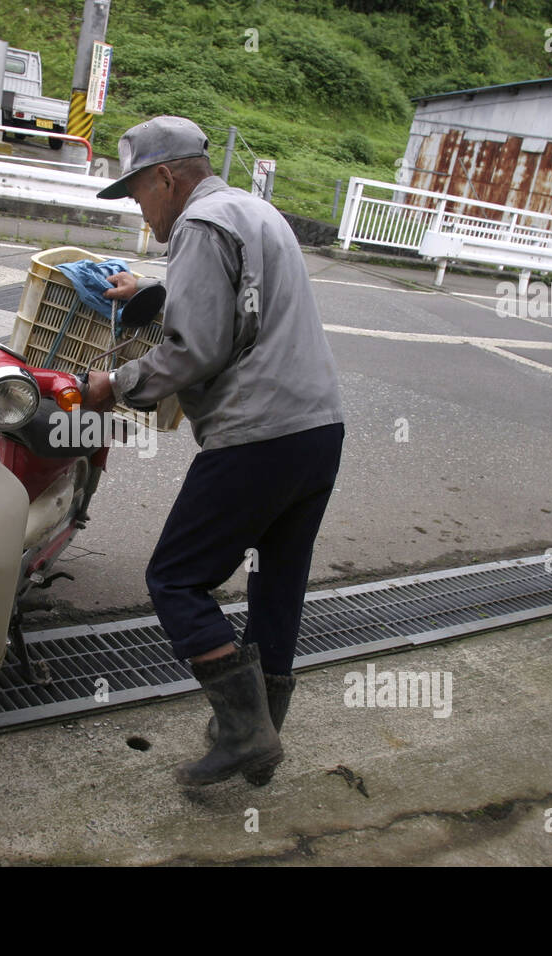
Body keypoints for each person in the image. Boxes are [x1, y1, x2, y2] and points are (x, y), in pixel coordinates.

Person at [85, 116, 345, 787]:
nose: (143, 213)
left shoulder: (199, 225)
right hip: (316, 432)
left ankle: (242, 731)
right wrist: (151, 293)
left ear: (166, 178)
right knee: (277, 582)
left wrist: (111, 385)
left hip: (257, 434)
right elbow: (242, 302)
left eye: (140, 195)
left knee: (174, 578)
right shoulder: (254, 210)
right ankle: (263, 736)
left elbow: (193, 351)